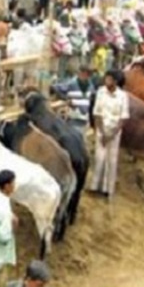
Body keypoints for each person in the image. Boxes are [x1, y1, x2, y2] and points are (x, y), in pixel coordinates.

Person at [90, 70, 129, 198]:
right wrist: (101, 131)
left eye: (109, 79)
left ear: (115, 82)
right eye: (106, 79)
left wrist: (112, 134)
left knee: (111, 161)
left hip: (114, 132)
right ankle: (95, 186)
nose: (106, 81)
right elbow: (97, 113)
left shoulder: (123, 96)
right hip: (102, 130)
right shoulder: (101, 92)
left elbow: (123, 118)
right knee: (99, 158)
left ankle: (108, 190)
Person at [54, 65, 95, 130]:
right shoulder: (72, 83)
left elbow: (92, 98)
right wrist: (66, 99)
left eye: (86, 74)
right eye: (82, 73)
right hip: (73, 116)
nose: (83, 76)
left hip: (85, 117)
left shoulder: (90, 85)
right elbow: (57, 88)